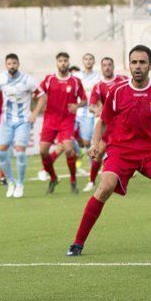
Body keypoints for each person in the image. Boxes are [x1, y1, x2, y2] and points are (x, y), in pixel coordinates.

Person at [67, 45, 151, 256]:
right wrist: (95, 144)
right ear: (128, 65)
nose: (137, 66)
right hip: (121, 151)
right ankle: (77, 243)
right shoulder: (117, 91)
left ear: (150, 65)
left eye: (142, 62)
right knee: (104, 188)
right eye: (134, 62)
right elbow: (102, 122)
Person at [30, 52, 87, 194]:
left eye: (65, 61)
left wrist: (77, 106)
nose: (63, 63)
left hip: (67, 120)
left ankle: (73, 180)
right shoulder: (49, 79)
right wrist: (34, 99)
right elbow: (38, 93)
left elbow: (84, 100)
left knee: (68, 148)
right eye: (60, 61)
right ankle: (53, 178)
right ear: (57, 63)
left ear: (68, 62)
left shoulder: (75, 82)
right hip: (50, 119)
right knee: (43, 151)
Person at [0, 53, 38, 198]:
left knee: (20, 151)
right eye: (9, 64)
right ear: (6, 65)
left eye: (14, 63)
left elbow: (42, 96)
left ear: (18, 64)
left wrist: (34, 113)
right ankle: (10, 181)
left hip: (23, 121)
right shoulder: (1, 78)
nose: (12, 66)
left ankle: (20, 184)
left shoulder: (28, 80)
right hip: (6, 121)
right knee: (1, 152)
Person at [85, 57, 127, 192]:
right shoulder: (98, 86)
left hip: (125, 123)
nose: (107, 67)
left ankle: (121, 177)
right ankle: (91, 181)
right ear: (101, 68)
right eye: (104, 65)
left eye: (109, 64)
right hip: (109, 124)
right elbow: (91, 105)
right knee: (99, 151)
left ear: (113, 66)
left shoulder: (123, 80)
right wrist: (97, 110)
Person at [74, 54, 101, 168]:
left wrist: (99, 108)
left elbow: (101, 94)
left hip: (90, 114)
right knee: (69, 136)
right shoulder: (76, 76)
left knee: (89, 142)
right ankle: (80, 152)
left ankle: (94, 166)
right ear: (82, 61)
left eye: (91, 59)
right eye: (86, 59)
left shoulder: (98, 77)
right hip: (75, 112)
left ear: (94, 61)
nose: (88, 61)